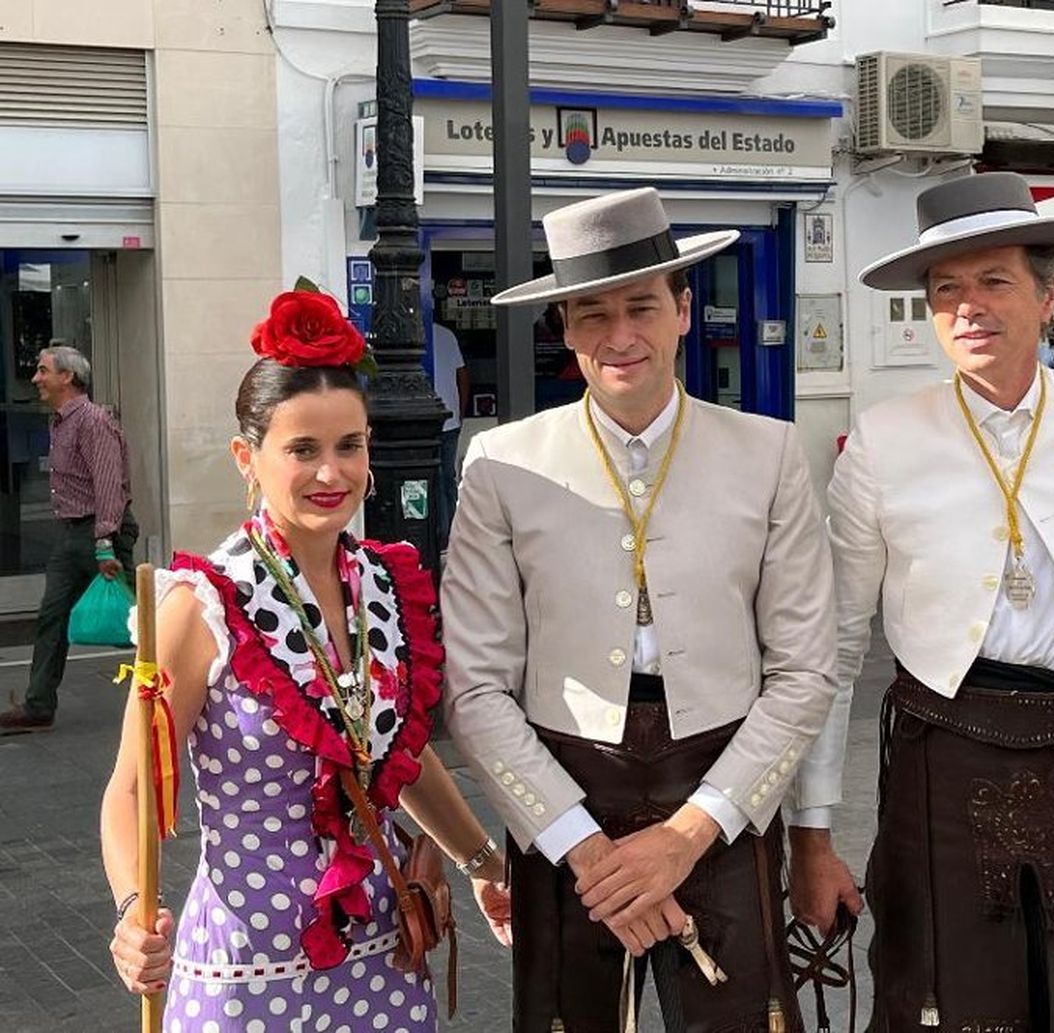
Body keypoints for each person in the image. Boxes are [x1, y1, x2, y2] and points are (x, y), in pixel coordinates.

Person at [442, 187, 835, 1032]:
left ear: (684, 310)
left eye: (641, 306)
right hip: (564, 791)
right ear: (565, 329)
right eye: (593, 314)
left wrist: (689, 835)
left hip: (720, 786)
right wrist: (588, 851)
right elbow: (474, 687)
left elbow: (804, 670)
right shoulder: (503, 464)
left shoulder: (766, 453)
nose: (621, 336)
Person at [795, 172, 1054, 1029]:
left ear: (1048, 295)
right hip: (944, 752)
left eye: (994, 281)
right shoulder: (886, 436)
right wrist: (811, 836)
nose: (969, 307)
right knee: (950, 1000)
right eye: (946, 290)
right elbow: (834, 643)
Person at [99, 288, 510, 1028]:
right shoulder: (203, 605)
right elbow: (132, 788)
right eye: (303, 450)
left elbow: (394, 758)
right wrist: (134, 913)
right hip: (248, 970)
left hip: (385, 955)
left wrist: (483, 864)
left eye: (349, 445)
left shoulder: (380, 583)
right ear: (246, 457)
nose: (332, 473)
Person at [0, 344, 138, 734]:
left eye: (43, 371)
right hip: (71, 534)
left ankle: (179, 692)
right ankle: (38, 705)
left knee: (138, 621)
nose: (36, 378)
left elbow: (110, 485)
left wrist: (105, 543)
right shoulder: (61, 421)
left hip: (101, 532)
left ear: (68, 377)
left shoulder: (93, 422)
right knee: (51, 617)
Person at [430, 319, 468, 549]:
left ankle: (440, 531)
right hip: (450, 418)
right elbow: (462, 376)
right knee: (447, 478)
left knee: (434, 479)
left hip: (427, 421)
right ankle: (452, 531)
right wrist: (460, 412)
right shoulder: (447, 335)